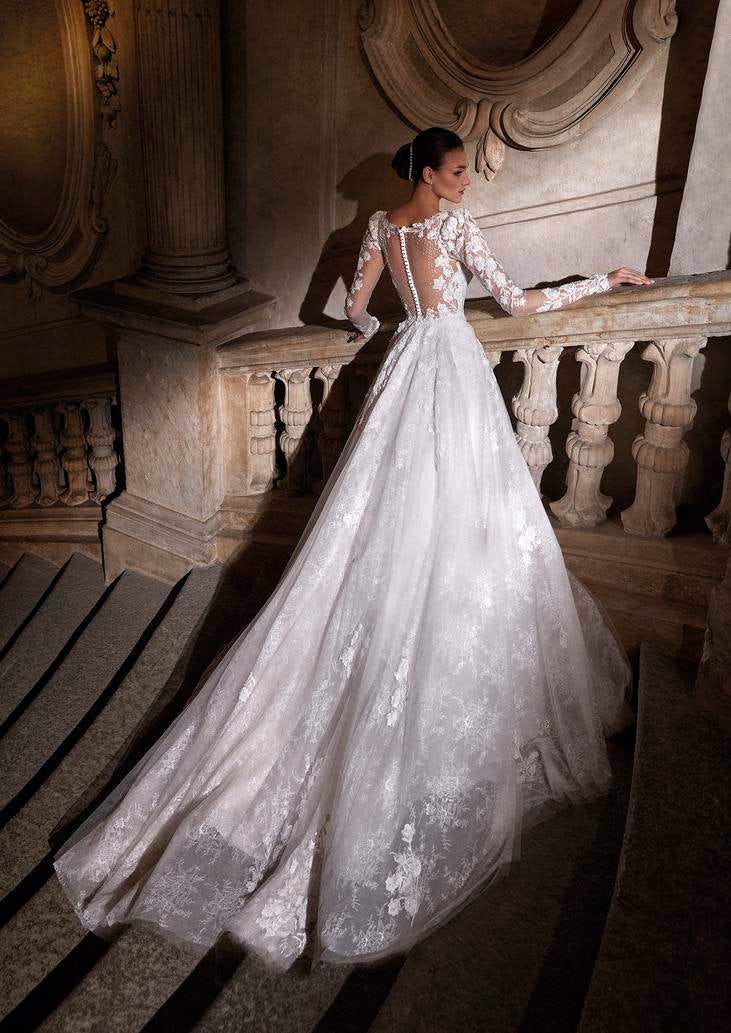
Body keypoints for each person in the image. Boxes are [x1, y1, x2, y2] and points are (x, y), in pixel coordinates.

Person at [53, 127, 651, 972]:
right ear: (432, 176)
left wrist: (378, 322)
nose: (465, 183)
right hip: (448, 369)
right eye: (456, 173)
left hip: (403, 364)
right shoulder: (448, 228)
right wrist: (603, 281)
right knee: (464, 524)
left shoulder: (378, 227)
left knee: (378, 528)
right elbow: (516, 303)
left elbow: (349, 311)